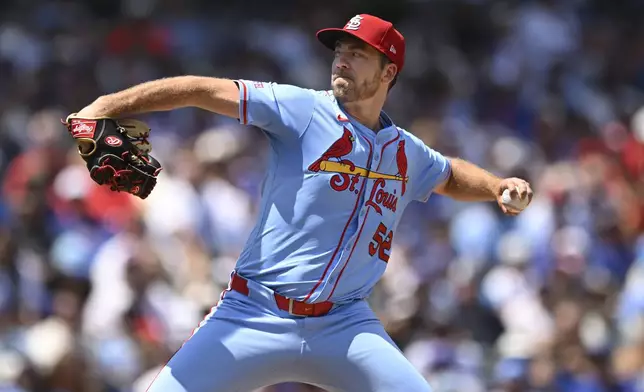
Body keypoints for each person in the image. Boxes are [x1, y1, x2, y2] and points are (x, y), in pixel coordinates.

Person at [74, 13, 532, 392]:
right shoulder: (301, 109)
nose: (342, 61)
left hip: (345, 326)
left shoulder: (405, 150)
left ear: (388, 71)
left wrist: (495, 186)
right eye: (339, 51)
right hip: (254, 311)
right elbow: (200, 88)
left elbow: (449, 174)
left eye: (357, 54)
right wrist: (109, 105)